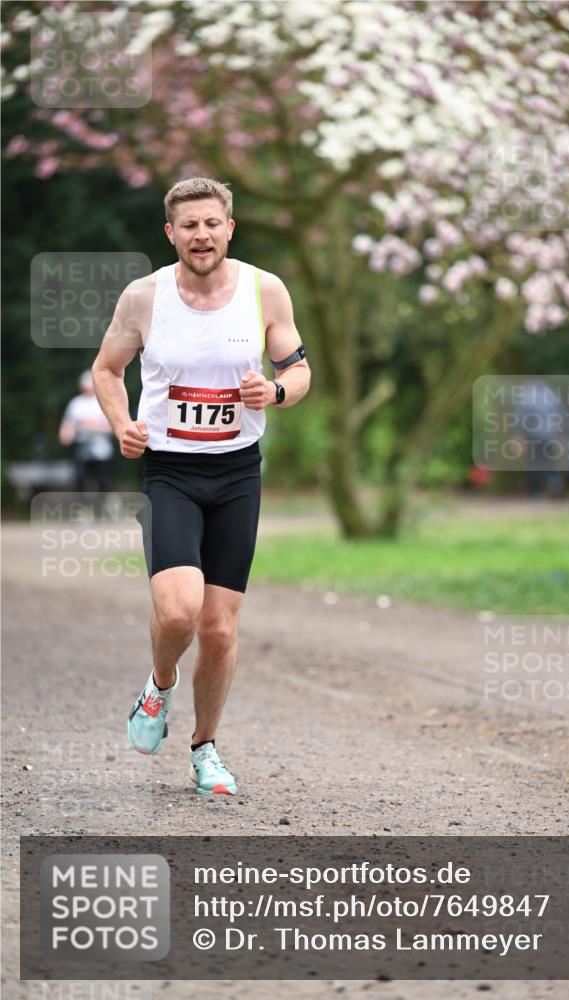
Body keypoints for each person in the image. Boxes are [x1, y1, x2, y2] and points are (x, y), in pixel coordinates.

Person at [91, 177, 310, 796]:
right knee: (181, 610)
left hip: (238, 471)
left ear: (229, 228)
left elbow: (298, 372)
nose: (201, 235)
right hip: (170, 472)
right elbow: (107, 369)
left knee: (218, 628)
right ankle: (159, 686)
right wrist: (121, 424)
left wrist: (272, 392)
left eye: (212, 223)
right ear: (171, 234)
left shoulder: (265, 291)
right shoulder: (144, 297)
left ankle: (205, 748)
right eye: (188, 226)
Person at [58, 370, 115, 508]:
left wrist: (92, 427)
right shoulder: (76, 403)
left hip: (102, 451)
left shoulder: (103, 402)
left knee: (103, 482)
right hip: (82, 449)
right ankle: (82, 510)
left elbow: (112, 427)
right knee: (80, 481)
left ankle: (102, 510)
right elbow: (67, 426)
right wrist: (65, 436)